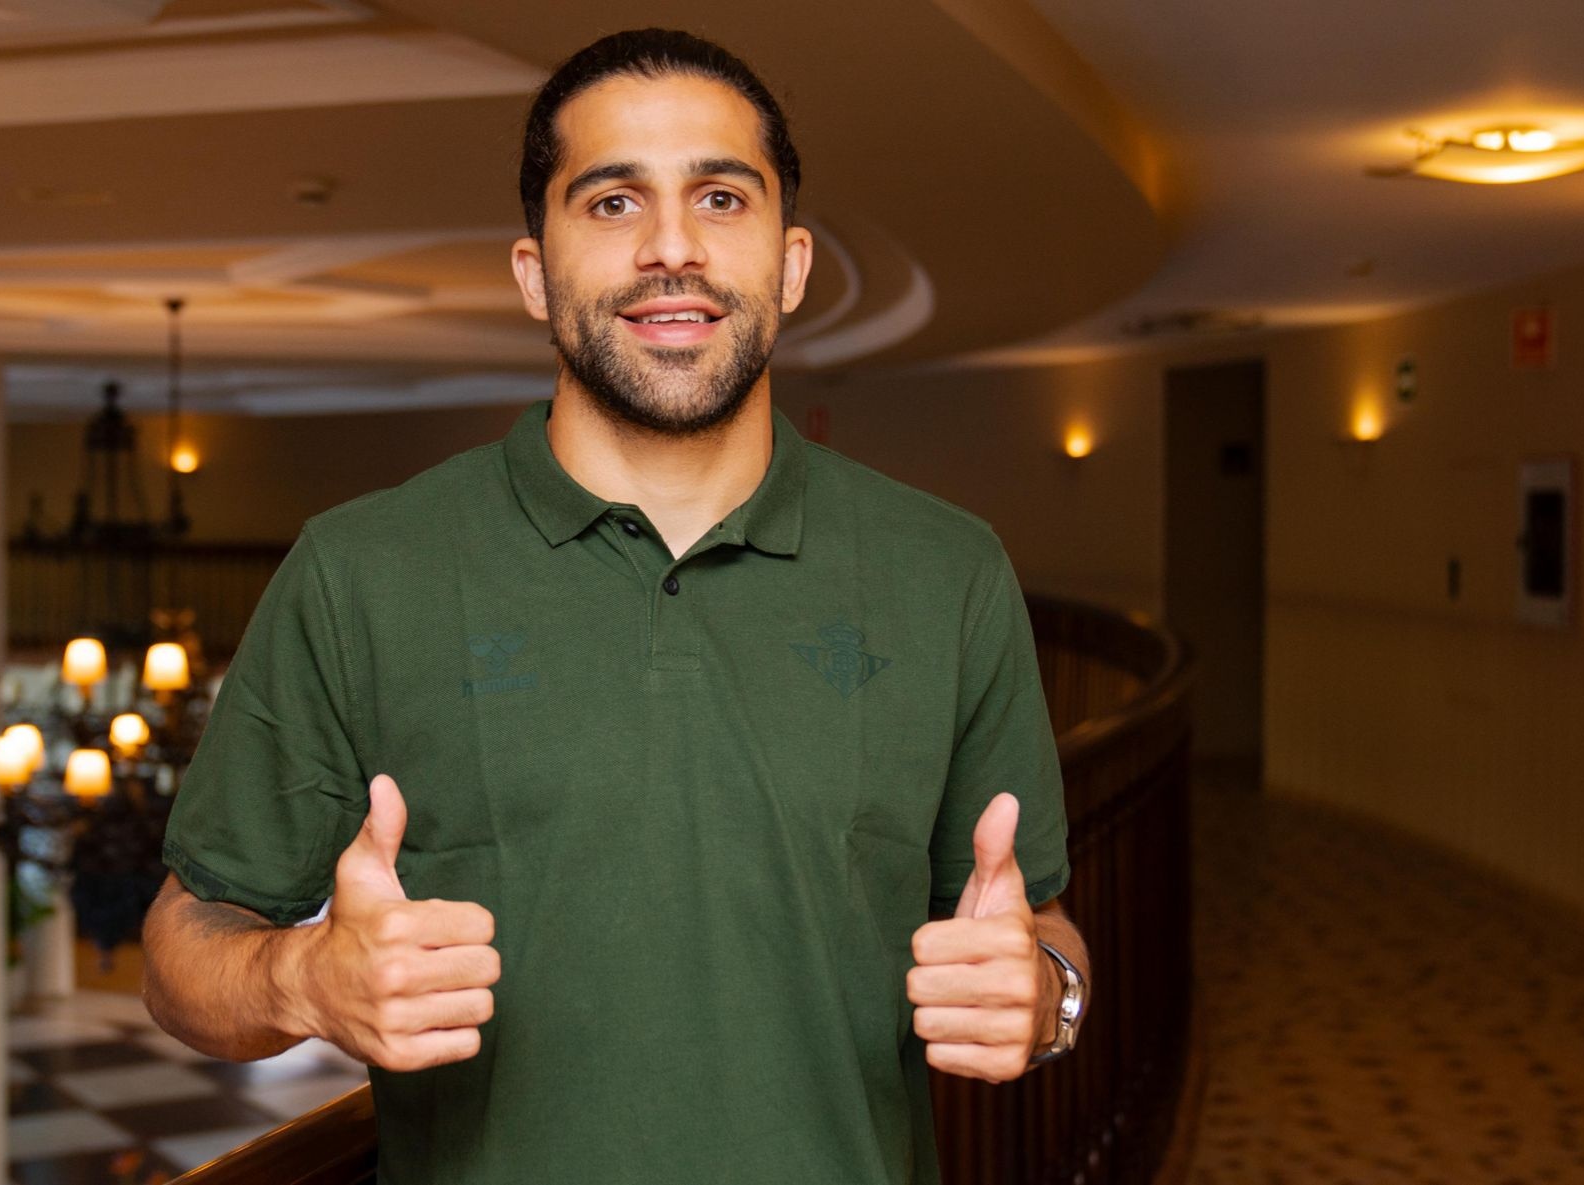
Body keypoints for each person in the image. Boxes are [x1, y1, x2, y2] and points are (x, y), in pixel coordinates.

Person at [141, 28, 1089, 1183]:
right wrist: (301, 980)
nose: (671, 249)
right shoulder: (360, 570)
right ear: (536, 270)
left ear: (789, 265)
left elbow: (1033, 922)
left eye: (720, 197)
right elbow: (182, 952)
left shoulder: (947, 571)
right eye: (610, 204)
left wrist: (1045, 994)